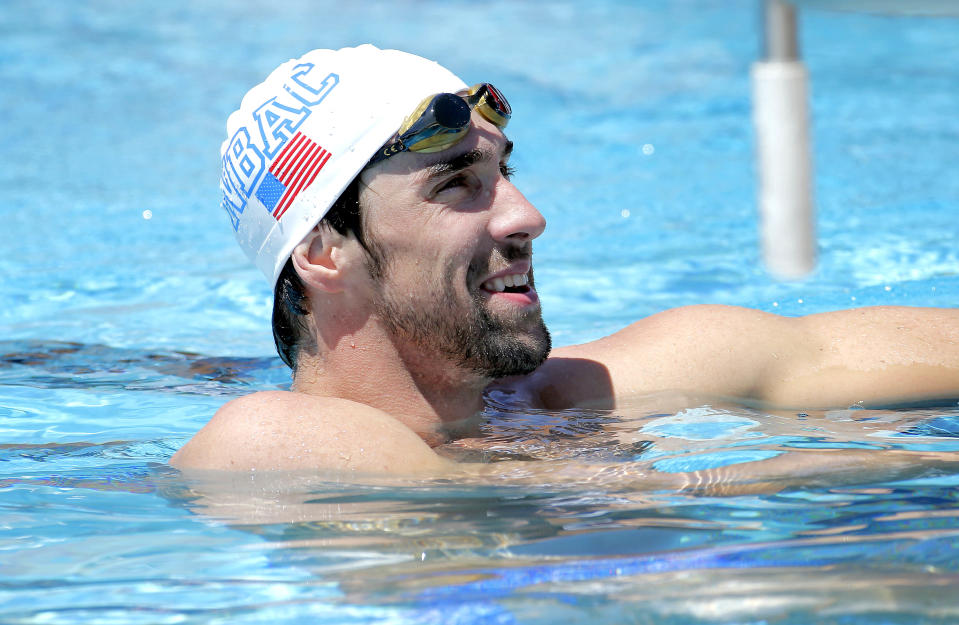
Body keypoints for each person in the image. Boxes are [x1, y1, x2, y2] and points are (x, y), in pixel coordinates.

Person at [170, 45, 959, 475]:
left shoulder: (564, 399)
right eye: (458, 185)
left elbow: (814, 354)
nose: (526, 215)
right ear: (322, 251)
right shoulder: (269, 440)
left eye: (504, 171)